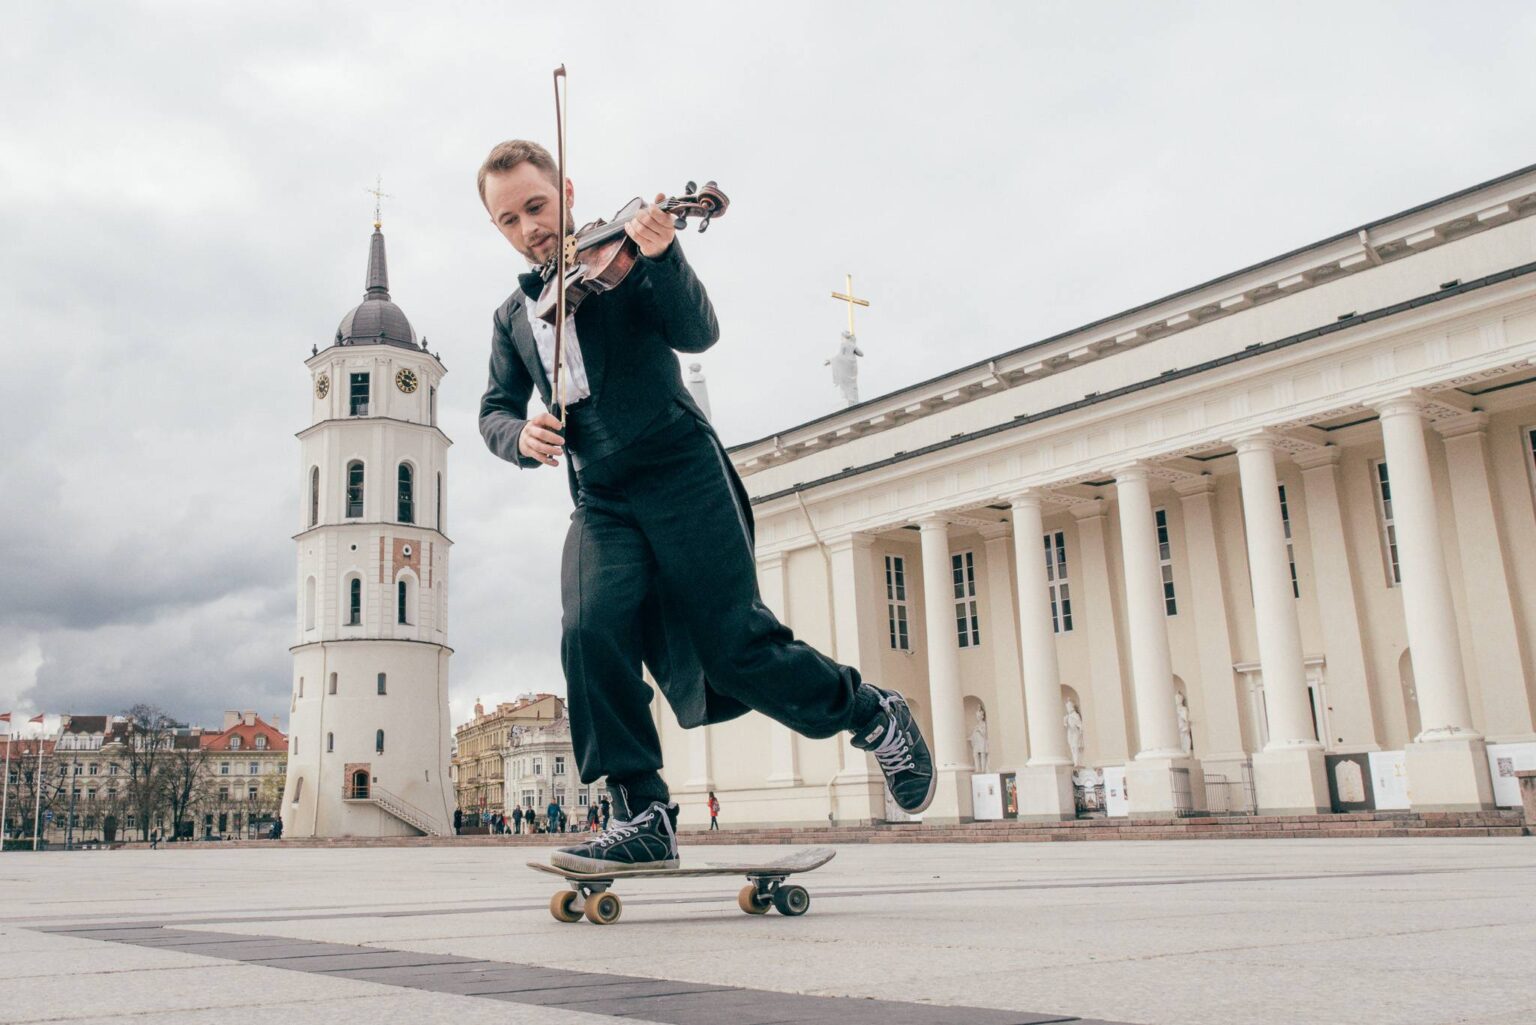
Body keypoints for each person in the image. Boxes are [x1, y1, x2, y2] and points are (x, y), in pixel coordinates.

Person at [477, 139, 934, 873]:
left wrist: (665, 257)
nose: (528, 226)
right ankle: (643, 810)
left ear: (565, 192)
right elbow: (494, 409)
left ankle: (873, 714)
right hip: (600, 494)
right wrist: (519, 433)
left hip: (680, 467)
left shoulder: (626, 255)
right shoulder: (511, 318)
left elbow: (699, 333)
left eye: (536, 205)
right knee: (589, 626)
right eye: (508, 219)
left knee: (737, 647)